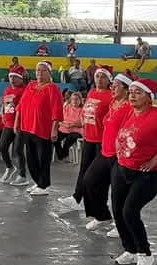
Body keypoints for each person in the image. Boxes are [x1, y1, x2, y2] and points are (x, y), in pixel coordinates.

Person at [109, 78, 157, 265]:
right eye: (131, 92)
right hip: (122, 169)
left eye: (138, 92)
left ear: (149, 97)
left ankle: (145, 253)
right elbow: (120, 133)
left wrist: (156, 158)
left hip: (146, 175)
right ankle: (130, 249)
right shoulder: (130, 112)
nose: (132, 95)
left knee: (130, 211)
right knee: (117, 210)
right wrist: (118, 150)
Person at [76, 72, 132, 234]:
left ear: (126, 89)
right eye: (112, 85)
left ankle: (122, 226)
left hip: (119, 155)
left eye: (116, 86)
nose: (112, 88)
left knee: (118, 191)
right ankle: (102, 216)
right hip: (105, 150)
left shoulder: (129, 107)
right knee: (90, 180)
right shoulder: (114, 102)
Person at [58, 65, 112, 218]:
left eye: (103, 77)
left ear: (109, 80)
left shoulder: (110, 96)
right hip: (89, 137)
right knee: (84, 169)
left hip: (101, 140)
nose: (99, 79)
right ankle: (77, 198)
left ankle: (101, 207)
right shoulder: (92, 92)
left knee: (99, 176)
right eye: (97, 76)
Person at [14, 61, 63, 196]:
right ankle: (38, 181)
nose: (39, 73)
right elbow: (21, 105)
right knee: (31, 158)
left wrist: (54, 128)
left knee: (43, 158)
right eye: (37, 70)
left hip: (43, 129)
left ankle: (44, 184)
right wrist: (17, 122)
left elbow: (57, 110)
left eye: (43, 70)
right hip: (27, 127)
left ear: (49, 73)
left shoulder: (53, 88)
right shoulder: (30, 85)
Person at [0, 71, 28, 185]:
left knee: (17, 150)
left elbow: (24, 108)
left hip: (21, 125)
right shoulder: (7, 90)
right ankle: (10, 167)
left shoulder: (25, 90)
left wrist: (18, 123)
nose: (12, 79)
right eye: (11, 76)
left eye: (15, 77)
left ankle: (22, 176)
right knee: (2, 147)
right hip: (8, 124)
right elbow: (4, 104)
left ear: (21, 78)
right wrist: (2, 114)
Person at [54, 91, 84, 161]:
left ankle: (63, 154)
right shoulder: (66, 107)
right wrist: (65, 125)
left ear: (80, 100)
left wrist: (72, 125)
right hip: (64, 128)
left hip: (76, 131)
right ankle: (61, 153)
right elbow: (59, 120)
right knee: (54, 137)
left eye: (76, 99)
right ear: (70, 100)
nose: (74, 101)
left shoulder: (82, 110)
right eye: (73, 99)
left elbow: (82, 124)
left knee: (70, 138)